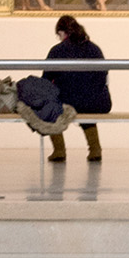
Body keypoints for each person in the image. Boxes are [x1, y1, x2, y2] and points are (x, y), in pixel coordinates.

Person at [43, 14, 109, 162]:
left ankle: (59, 150)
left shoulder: (57, 51)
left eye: (58, 35)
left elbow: (45, 80)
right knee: (86, 103)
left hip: (68, 102)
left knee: (48, 108)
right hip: (98, 103)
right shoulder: (94, 49)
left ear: (62, 32)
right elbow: (103, 76)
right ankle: (95, 150)